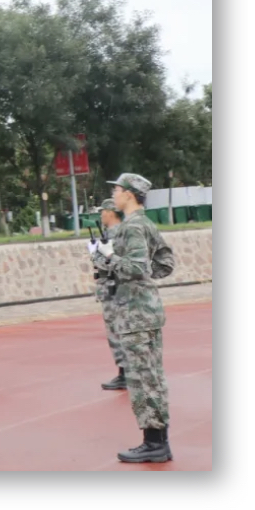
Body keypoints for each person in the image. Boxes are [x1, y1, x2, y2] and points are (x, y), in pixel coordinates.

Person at [93, 173, 172, 463]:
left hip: (135, 314)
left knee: (142, 379)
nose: (113, 194)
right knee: (152, 377)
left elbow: (137, 268)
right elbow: (165, 263)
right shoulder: (144, 223)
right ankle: (158, 441)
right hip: (145, 310)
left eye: (116, 190)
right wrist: (145, 283)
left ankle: (154, 443)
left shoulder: (133, 226)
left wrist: (110, 257)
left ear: (128, 194)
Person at [91, 199, 128, 390]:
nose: (101, 215)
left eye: (103, 211)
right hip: (115, 288)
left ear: (111, 213)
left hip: (114, 289)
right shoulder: (119, 232)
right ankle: (126, 372)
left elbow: (108, 262)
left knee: (116, 331)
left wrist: (95, 255)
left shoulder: (115, 234)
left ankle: (125, 373)